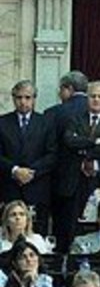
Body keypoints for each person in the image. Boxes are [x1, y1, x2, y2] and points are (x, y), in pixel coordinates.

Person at [58, 80, 100, 250]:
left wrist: (85, 152)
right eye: (92, 96)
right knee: (73, 224)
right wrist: (94, 141)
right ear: (87, 98)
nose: (96, 100)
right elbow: (69, 140)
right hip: (76, 180)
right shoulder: (75, 118)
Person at [0, 81, 58, 222]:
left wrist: (30, 172)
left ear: (34, 99)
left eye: (27, 97)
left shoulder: (46, 123)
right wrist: (15, 170)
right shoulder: (2, 122)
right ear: (13, 98)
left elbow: (52, 154)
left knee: (38, 230)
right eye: (19, 97)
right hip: (9, 188)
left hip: (37, 188)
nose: (23, 102)